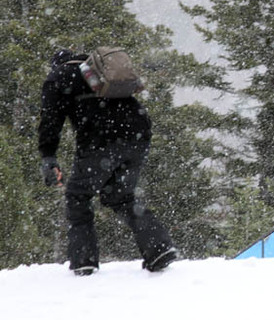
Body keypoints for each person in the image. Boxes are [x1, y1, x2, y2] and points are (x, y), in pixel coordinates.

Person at [38, 49, 177, 276]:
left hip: (99, 139)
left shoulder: (58, 77)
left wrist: (48, 156)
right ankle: (159, 248)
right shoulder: (100, 71)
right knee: (120, 196)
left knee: (78, 196)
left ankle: (84, 260)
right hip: (138, 132)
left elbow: (50, 121)